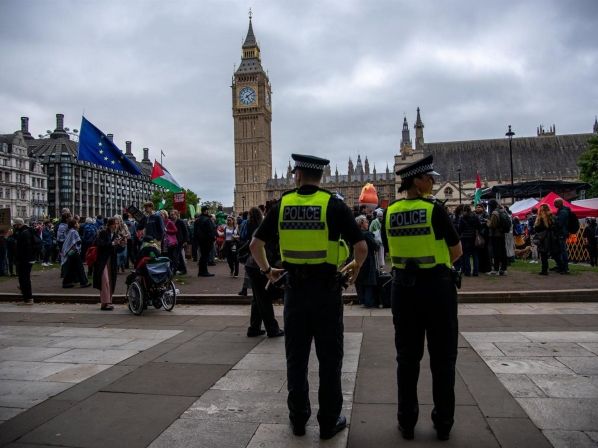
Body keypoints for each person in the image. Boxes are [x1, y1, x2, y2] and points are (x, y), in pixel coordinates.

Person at [250, 153, 367, 440]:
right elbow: (361, 247)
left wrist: (268, 271)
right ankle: (328, 421)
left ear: (298, 175)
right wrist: (353, 269)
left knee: (296, 359)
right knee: (330, 360)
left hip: (295, 293)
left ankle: (299, 418)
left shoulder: (282, 204)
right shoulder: (333, 204)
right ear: (321, 176)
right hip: (327, 293)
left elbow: (255, 245)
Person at [381, 155, 462, 441]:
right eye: (429, 178)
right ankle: (444, 421)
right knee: (443, 359)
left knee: (406, 359)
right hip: (437, 290)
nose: (433, 182)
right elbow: (456, 251)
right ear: (416, 181)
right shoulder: (434, 210)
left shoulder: (390, 212)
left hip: (403, 290)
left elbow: (389, 249)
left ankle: (406, 421)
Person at [244, 206, 284, 337]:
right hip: (259, 266)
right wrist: (268, 269)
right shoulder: (272, 228)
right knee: (264, 298)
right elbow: (260, 247)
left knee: (258, 298)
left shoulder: (264, 226)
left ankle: (254, 328)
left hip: (253, 265)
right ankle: (272, 329)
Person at [93, 217, 118, 311]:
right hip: (102, 260)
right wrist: (112, 243)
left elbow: (114, 249)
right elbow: (100, 244)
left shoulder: (114, 234)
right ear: (110, 224)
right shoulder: (103, 232)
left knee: (110, 280)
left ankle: (107, 302)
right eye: (115, 223)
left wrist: (120, 244)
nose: (116, 225)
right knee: (105, 280)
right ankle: (105, 302)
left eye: (117, 223)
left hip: (111, 260)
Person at [355, 214, 379, 308]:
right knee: (369, 281)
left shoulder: (356, 234)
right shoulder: (367, 234)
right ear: (361, 223)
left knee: (360, 280)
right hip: (368, 260)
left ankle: (362, 300)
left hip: (357, 259)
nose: (368, 223)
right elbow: (375, 246)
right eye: (366, 222)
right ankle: (369, 302)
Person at [61, 219, 91, 288]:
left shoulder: (70, 231)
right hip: (73, 251)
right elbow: (77, 241)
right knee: (80, 267)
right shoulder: (74, 232)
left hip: (70, 251)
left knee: (71, 267)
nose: (78, 224)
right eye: (77, 223)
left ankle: (67, 282)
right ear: (74, 225)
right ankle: (83, 282)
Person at [13, 218, 36, 305]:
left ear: (18, 224)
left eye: (15, 225)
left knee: (24, 279)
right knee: (24, 279)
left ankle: (28, 299)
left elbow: (23, 248)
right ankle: (27, 297)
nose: (14, 227)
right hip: (28, 259)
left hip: (24, 260)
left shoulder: (24, 233)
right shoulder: (27, 231)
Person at [533, 204, 561, 275]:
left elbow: (537, 229)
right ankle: (561, 267)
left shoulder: (540, 218)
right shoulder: (552, 217)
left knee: (543, 254)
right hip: (552, 237)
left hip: (543, 238)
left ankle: (544, 270)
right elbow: (556, 227)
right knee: (555, 253)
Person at [486, 199, 508, 276]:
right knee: (503, 252)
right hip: (502, 234)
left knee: (496, 253)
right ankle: (504, 269)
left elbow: (492, 225)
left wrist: (487, 222)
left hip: (496, 235)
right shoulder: (503, 211)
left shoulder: (494, 213)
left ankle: (496, 270)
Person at [458, 204, 481, 276]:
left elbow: (460, 229)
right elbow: (479, 226)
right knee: (475, 255)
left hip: (465, 238)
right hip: (474, 237)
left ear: (464, 210)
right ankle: (476, 272)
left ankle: (467, 272)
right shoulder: (475, 216)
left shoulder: (462, 218)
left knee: (466, 255)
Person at [194, 205, 216, 277]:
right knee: (205, 256)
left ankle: (201, 271)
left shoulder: (197, 220)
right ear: (206, 211)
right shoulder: (207, 219)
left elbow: (195, 231)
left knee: (202, 256)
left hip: (200, 241)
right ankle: (204, 271)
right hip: (207, 241)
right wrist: (213, 238)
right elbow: (210, 230)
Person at [554, 198, 571, 274]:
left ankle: (565, 268)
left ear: (559, 203)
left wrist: (555, 219)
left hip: (562, 233)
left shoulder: (563, 212)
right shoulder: (561, 210)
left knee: (563, 251)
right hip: (561, 233)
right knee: (560, 251)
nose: (554, 204)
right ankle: (561, 266)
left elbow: (559, 223)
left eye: (555, 203)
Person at [171, 209, 189, 275]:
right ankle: (181, 269)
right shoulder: (171, 222)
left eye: (173, 214)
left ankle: (178, 269)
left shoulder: (180, 221)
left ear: (176, 215)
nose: (171, 216)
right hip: (173, 241)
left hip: (180, 241)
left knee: (176, 255)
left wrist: (185, 240)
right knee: (179, 256)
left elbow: (185, 231)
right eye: (171, 215)